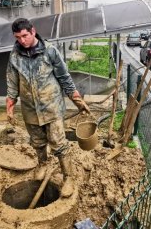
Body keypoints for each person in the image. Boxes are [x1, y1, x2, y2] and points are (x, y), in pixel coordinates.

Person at [6, 18, 90, 197]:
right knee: (37, 142)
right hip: (29, 109)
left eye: (25, 36)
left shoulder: (50, 52)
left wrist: (78, 101)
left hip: (51, 107)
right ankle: (43, 164)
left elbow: (64, 78)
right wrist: (10, 106)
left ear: (33, 32)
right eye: (17, 37)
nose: (22, 40)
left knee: (58, 143)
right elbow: (12, 83)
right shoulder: (14, 56)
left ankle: (68, 177)